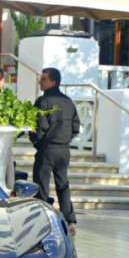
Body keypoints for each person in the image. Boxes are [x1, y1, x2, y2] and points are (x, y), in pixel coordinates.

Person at [29, 67, 80, 237]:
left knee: (41, 184)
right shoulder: (68, 102)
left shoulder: (43, 102)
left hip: (47, 149)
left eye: (43, 79)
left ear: (53, 82)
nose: (40, 82)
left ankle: (44, 219)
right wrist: (65, 140)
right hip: (64, 150)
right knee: (63, 184)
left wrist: (37, 142)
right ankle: (69, 219)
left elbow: (38, 128)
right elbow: (75, 127)